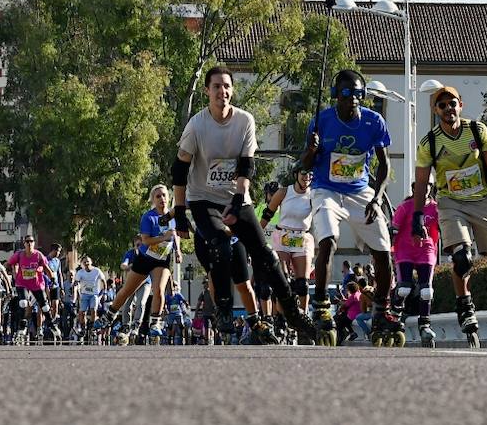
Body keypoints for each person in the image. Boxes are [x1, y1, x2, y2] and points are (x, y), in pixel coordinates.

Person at [172, 65, 316, 345]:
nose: (222, 92)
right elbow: (179, 169)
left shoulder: (244, 121)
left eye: (226, 86)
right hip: (204, 200)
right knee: (221, 246)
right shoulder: (197, 126)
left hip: (237, 196)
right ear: (207, 91)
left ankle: (292, 311)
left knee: (265, 254)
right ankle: (224, 310)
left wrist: (239, 200)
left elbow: (246, 166)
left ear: (232, 90)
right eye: (216, 87)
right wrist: (179, 212)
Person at [411, 84, 487, 347]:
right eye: (442, 105)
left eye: (453, 103)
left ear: (460, 105)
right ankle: (465, 306)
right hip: (451, 203)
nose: (448, 109)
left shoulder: (477, 130)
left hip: (482, 200)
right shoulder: (430, 143)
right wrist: (418, 215)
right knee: (462, 258)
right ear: (436, 111)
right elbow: (421, 181)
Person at [299, 69, 393, 345]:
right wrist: (312, 151)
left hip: (360, 192)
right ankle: (321, 307)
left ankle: (381, 310)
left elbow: (385, 165)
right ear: (335, 95)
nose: (353, 99)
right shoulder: (321, 121)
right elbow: (304, 166)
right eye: (346, 93)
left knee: (383, 250)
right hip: (326, 189)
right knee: (328, 240)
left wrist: (377, 198)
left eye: (359, 94)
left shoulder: (374, 122)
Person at [107, 185, 180, 344]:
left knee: (159, 289)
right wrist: (163, 237)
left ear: (169, 197)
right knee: (127, 290)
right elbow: (146, 240)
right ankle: (109, 315)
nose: (162, 199)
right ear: (153, 200)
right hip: (146, 258)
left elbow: (176, 234)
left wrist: (178, 251)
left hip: (163, 259)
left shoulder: (173, 216)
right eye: (158, 196)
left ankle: (155, 323)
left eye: (164, 195)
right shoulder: (149, 217)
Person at [262, 166, 315, 321]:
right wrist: (255, 238)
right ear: (296, 174)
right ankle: (280, 318)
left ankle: (303, 319)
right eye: (304, 172)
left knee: (302, 285)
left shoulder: (314, 194)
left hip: (302, 238)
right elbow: (267, 215)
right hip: (282, 236)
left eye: (310, 173)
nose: (307, 176)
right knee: (282, 282)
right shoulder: (284, 192)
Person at [393, 186, 441, 347]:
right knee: (404, 289)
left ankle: (425, 325)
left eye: (427, 185)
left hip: (426, 249)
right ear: (414, 189)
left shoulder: (435, 208)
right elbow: (394, 227)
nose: (424, 189)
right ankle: (395, 314)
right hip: (405, 249)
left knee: (426, 291)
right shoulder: (405, 206)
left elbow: (443, 227)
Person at [8, 235, 54, 342]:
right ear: (24, 243)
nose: (29, 243)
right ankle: (22, 324)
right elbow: (9, 263)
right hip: (22, 283)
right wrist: (11, 272)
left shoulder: (38, 255)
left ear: (34, 243)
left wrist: (53, 279)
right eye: (27, 241)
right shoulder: (19, 254)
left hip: (36, 284)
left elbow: (47, 269)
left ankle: (51, 324)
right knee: (23, 303)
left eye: (31, 241)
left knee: (45, 306)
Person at [73, 257, 105, 342]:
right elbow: (76, 282)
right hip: (84, 295)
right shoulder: (80, 272)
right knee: (82, 312)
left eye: (87, 261)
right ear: (82, 264)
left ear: (91, 262)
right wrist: (75, 285)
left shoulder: (97, 271)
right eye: (84, 262)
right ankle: (83, 328)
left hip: (94, 294)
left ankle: (92, 328)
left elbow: (103, 281)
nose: (86, 263)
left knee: (93, 310)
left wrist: (102, 293)